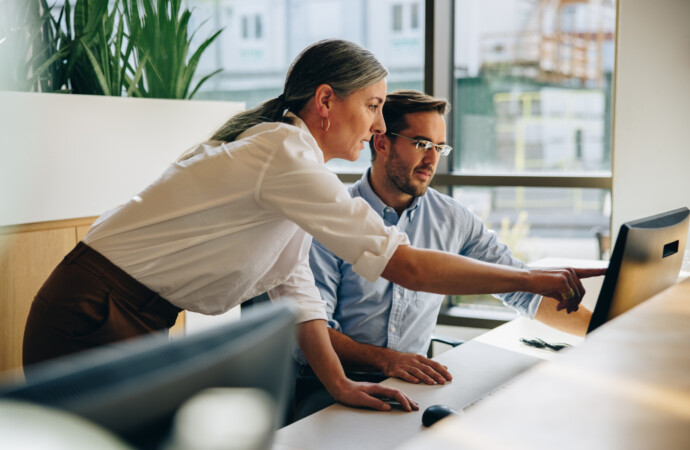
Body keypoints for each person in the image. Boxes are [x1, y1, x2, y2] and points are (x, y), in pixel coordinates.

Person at [23, 39, 603, 414]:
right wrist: (534, 281)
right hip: (94, 309)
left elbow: (295, 291)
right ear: (327, 100)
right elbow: (403, 265)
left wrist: (341, 386)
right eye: (373, 105)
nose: (378, 123)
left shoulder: (296, 171)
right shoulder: (284, 155)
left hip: (127, 311)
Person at [293, 90, 597, 417]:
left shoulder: (452, 218)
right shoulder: (332, 216)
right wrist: (388, 359)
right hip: (333, 384)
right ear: (381, 143)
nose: (432, 160)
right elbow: (313, 329)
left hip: (413, 383)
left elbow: (523, 291)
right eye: (422, 144)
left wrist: (602, 335)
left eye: (439, 148)